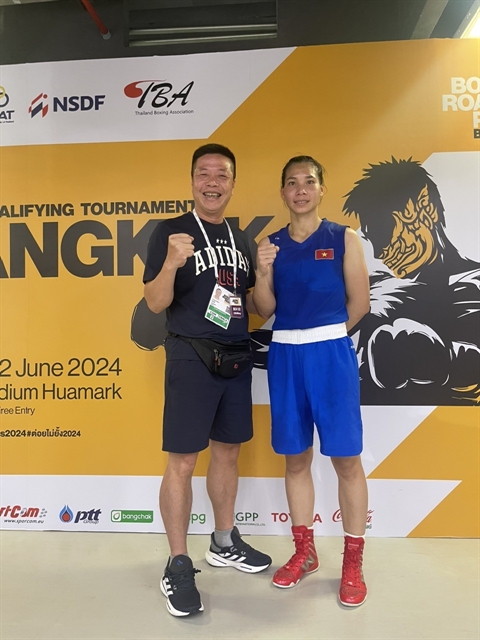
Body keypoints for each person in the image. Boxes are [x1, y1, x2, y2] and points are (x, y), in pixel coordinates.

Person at [143, 143, 271, 618]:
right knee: (182, 461)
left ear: (232, 184)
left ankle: (223, 541)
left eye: (222, 175)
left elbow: (259, 307)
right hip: (190, 356)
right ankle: (178, 563)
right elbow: (155, 303)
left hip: (235, 357)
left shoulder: (241, 239)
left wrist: (265, 273)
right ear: (193, 180)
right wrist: (171, 263)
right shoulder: (170, 232)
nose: (212, 182)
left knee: (228, 452)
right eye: (204, 173)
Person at [253, 155, 370, 606]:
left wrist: (326, 339)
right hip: (285, 354)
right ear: (283, 192)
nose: (300, 190)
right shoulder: (270, 244)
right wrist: (262, 272)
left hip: (329, 354)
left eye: (309, 181)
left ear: (322, 189)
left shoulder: (344, 238)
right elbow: (264, 308)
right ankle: (305, 552)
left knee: (346, 459)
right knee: (295, 458)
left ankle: (353, 562)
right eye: (292, 182)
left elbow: (359, 303)